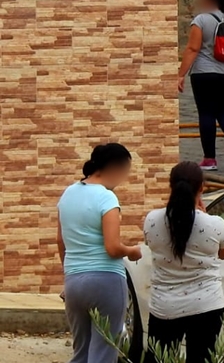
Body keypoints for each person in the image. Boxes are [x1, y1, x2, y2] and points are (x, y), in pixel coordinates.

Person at [56, 143, 142, 363]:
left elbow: (60, 240)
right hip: (106, 281)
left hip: (74, 282)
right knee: (104, 352)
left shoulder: (68, 193)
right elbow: (112, 247)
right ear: (114, 168)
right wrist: (132, 251)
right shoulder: (107, 198)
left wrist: (69, 274)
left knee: (81, 353)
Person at [142, 161, 224, 363]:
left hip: (164, 306)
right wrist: (205, 216)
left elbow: (151, 244)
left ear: (170, 186)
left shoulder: (152, 220)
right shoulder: (215, 224)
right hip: (207, 306)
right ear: (201, 188)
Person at [179, 0, 224, 171]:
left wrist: (180, 74)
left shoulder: (201, 20)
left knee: (206, 113)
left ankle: (210, 159)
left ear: (209, 0)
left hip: (204, 73)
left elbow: (192, 49)